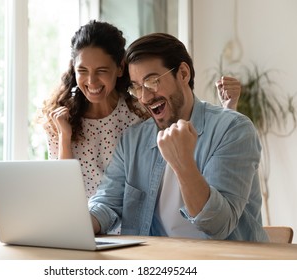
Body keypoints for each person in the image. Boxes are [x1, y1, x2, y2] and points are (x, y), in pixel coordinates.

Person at [88, 32, 269, 242]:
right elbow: (107, 203)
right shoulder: (133, 140)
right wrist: (78, 222)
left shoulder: (233, 130)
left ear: (183, 74)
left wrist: (183, 163)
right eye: (136, 87)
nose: (145, 97)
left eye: (152, 81)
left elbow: (218, 225)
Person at [40, 21, 241, 201]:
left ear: (120, 69)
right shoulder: (61, 120)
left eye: (101, 71)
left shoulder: (139, 112)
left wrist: (228, 110)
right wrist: (64, 137)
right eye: (82, 71)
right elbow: (62, 193)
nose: (91, 81)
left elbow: (187, 146)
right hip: (85, 223)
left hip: (130, 228)